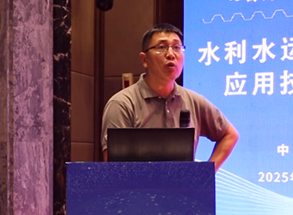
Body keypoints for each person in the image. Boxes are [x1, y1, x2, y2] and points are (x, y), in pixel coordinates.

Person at [101, 23, 239, 171]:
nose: (171, 54)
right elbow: (113, 168)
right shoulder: (122, 104)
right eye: (161, 47)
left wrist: (204, 174)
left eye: (177, 47)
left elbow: (230, 135)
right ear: (144, 60)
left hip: (183, 186)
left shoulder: (194, 101)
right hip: (137, 185)